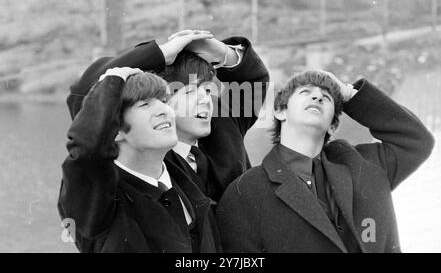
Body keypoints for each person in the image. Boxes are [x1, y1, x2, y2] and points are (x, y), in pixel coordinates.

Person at [216, 70, 434, 253]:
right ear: (281, 111)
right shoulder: (244, 192)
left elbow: (417, 141)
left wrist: (349, 93)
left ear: (332, 125)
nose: (317, 97)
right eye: (305, 92)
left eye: (326, 97)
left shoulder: (364, 164)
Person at [66, 29, 269, 203]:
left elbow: (253, 81)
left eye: (207, 90)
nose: (205, 100)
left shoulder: (224, 123)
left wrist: (224, 54)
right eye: (189, 91)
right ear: (159, 100)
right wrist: (160, 54)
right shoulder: (140, 152)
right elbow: (85, 95)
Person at [58, 67, 221, 253]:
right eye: (144, 104)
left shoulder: (185, 175)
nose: (164, 110)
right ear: (114, 130)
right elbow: (86, 148)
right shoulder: (101, 199)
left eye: (163, 100)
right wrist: (114, 79)